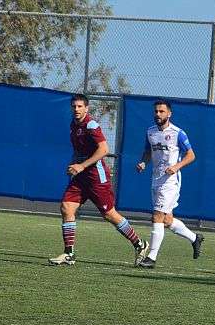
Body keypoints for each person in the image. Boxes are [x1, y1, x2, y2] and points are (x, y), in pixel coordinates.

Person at [48, 94, 148, 266]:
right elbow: (78, 151)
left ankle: (140, 244)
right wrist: (73, 165)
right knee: (66, 207)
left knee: (109, 214)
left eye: (80, 106)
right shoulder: (73, 125)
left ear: (86, 108)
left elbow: (104, 149)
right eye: (74, 106)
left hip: (96, 177)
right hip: (81, 178)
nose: (76, 109)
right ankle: (69, 254)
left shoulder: (91, 125)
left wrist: (82, 166)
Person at [134, 100, 204, 268]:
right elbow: (147, 151)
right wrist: (143, 162)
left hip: (171, 182)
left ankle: (151, 258)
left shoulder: (178, 133)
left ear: (169, 114)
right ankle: (195, 238)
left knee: (157, 216)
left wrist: (176, 167)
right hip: (156, 179)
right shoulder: (150, 132)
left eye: (162, 111)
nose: (158, 114)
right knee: (166, 220)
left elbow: (191, 155)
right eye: (156, 111)